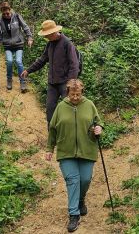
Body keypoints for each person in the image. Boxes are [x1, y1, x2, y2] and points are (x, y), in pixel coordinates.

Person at [46, 79, 103, 232]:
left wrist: (98, 128)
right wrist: (49, 148)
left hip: (87, 149)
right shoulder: (61, 107)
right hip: (66, 150)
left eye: (78, 94)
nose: (75, 97)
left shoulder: (89, 105)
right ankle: (73, 215)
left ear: (82, 93)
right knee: (73, 180)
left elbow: (98, 122)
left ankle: (81, 199)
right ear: (67, 93)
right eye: (72, 94)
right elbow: (52, 128)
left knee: (84, 179)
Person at [20, 20, 79, 125]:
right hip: (52, 83)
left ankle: (69, 135)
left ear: (53, 33)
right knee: (50, 110)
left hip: (65, 83)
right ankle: (52, 136)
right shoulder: (50, 44)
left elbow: (74, 65)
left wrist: (71, 83)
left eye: (47, 35)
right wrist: (28, 70)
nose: (45, 37)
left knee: (69, 109)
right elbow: (42, 60)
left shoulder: (67, 43)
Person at [0, 2, 33, 93]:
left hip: (18, 43)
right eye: (4, 14)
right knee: (9, 61)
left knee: (19, 61)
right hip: (7, 44)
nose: (6, 15)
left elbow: (25, 27)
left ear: (10, 10)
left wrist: (29, 37)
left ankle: (23, 81)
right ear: (2, 13)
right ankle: (9, 80)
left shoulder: (16, 16)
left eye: (7, 13)